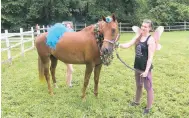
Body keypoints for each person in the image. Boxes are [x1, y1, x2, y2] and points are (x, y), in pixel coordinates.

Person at [119, 19, 156, 114]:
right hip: (137, 66)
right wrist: (118, 45)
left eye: (146, 26)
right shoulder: (138, 36)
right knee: (139, 85)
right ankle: (136, 102)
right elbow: (128, 44)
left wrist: (146, 71)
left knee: (148, 88)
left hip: (145, 68)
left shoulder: (150, 40)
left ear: (150, 28)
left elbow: (150, 58)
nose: (143, 28)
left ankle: (148, 108)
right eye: (142, 26)